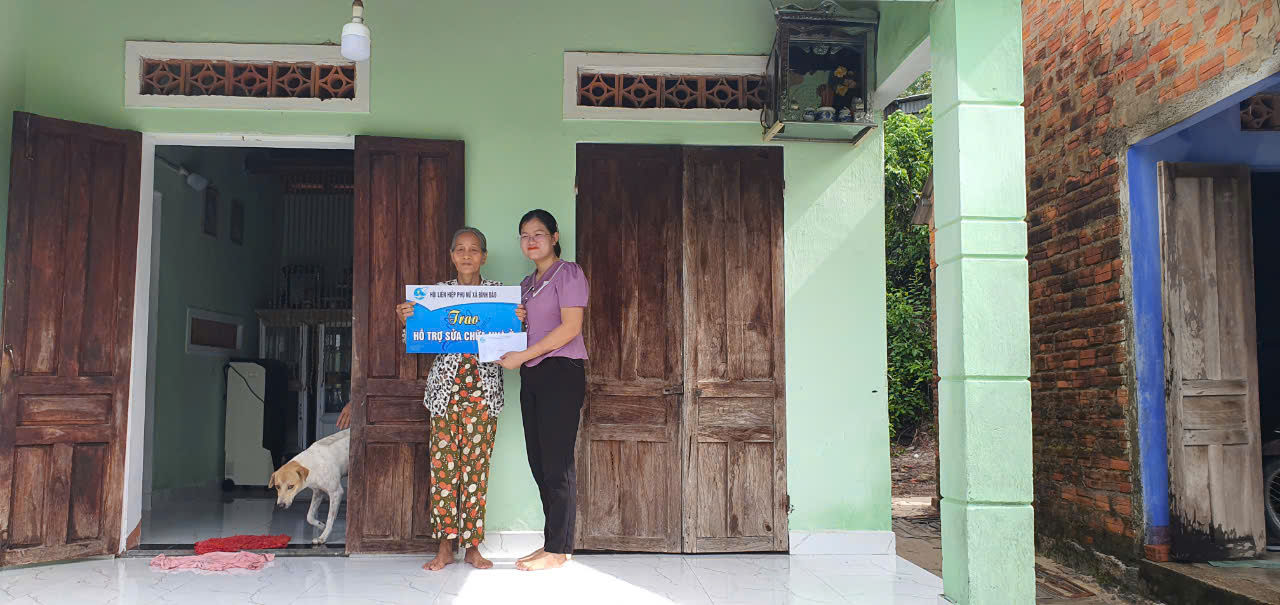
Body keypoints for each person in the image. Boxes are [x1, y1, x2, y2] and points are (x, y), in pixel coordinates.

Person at [336, 226, 523, 572]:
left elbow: (512, 343)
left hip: (483, 396)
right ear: (451, 256)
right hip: (444, 396)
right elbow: (419, 339)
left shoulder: (500, 296)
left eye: (474, 249)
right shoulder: (435, 296)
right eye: (460, 249)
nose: (466, 255)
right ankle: (445, 547)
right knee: (443, 471)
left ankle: (473, 548)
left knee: (476, 472)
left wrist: (519, 322)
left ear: (483, 257)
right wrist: (407, 321)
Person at [498, 209, 589, 572]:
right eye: (524, 235)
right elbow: (520, 331)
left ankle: (560, 549)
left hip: (561, 372)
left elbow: (570, 328)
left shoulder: (569, 274)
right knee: (538, 461)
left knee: (557, 462)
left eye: (538, 233)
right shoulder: (526, 284)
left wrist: (522, 355)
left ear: (554, 237)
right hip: (532, 374)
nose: (531, 240)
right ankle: (552, 541)